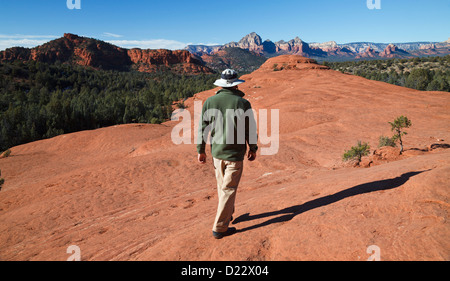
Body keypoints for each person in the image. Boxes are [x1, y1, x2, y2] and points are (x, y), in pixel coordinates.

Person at [197, 69, 258, 239]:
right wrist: (253, 147)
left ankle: (228, 213)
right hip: (235, 155)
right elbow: (250, 129)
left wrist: (200, 150)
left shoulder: (210, 102)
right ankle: (220, 228)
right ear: (235, 84)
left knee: (222, 187)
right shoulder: (243, 103)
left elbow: (203, 129)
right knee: (229, 189)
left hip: (217, 154)